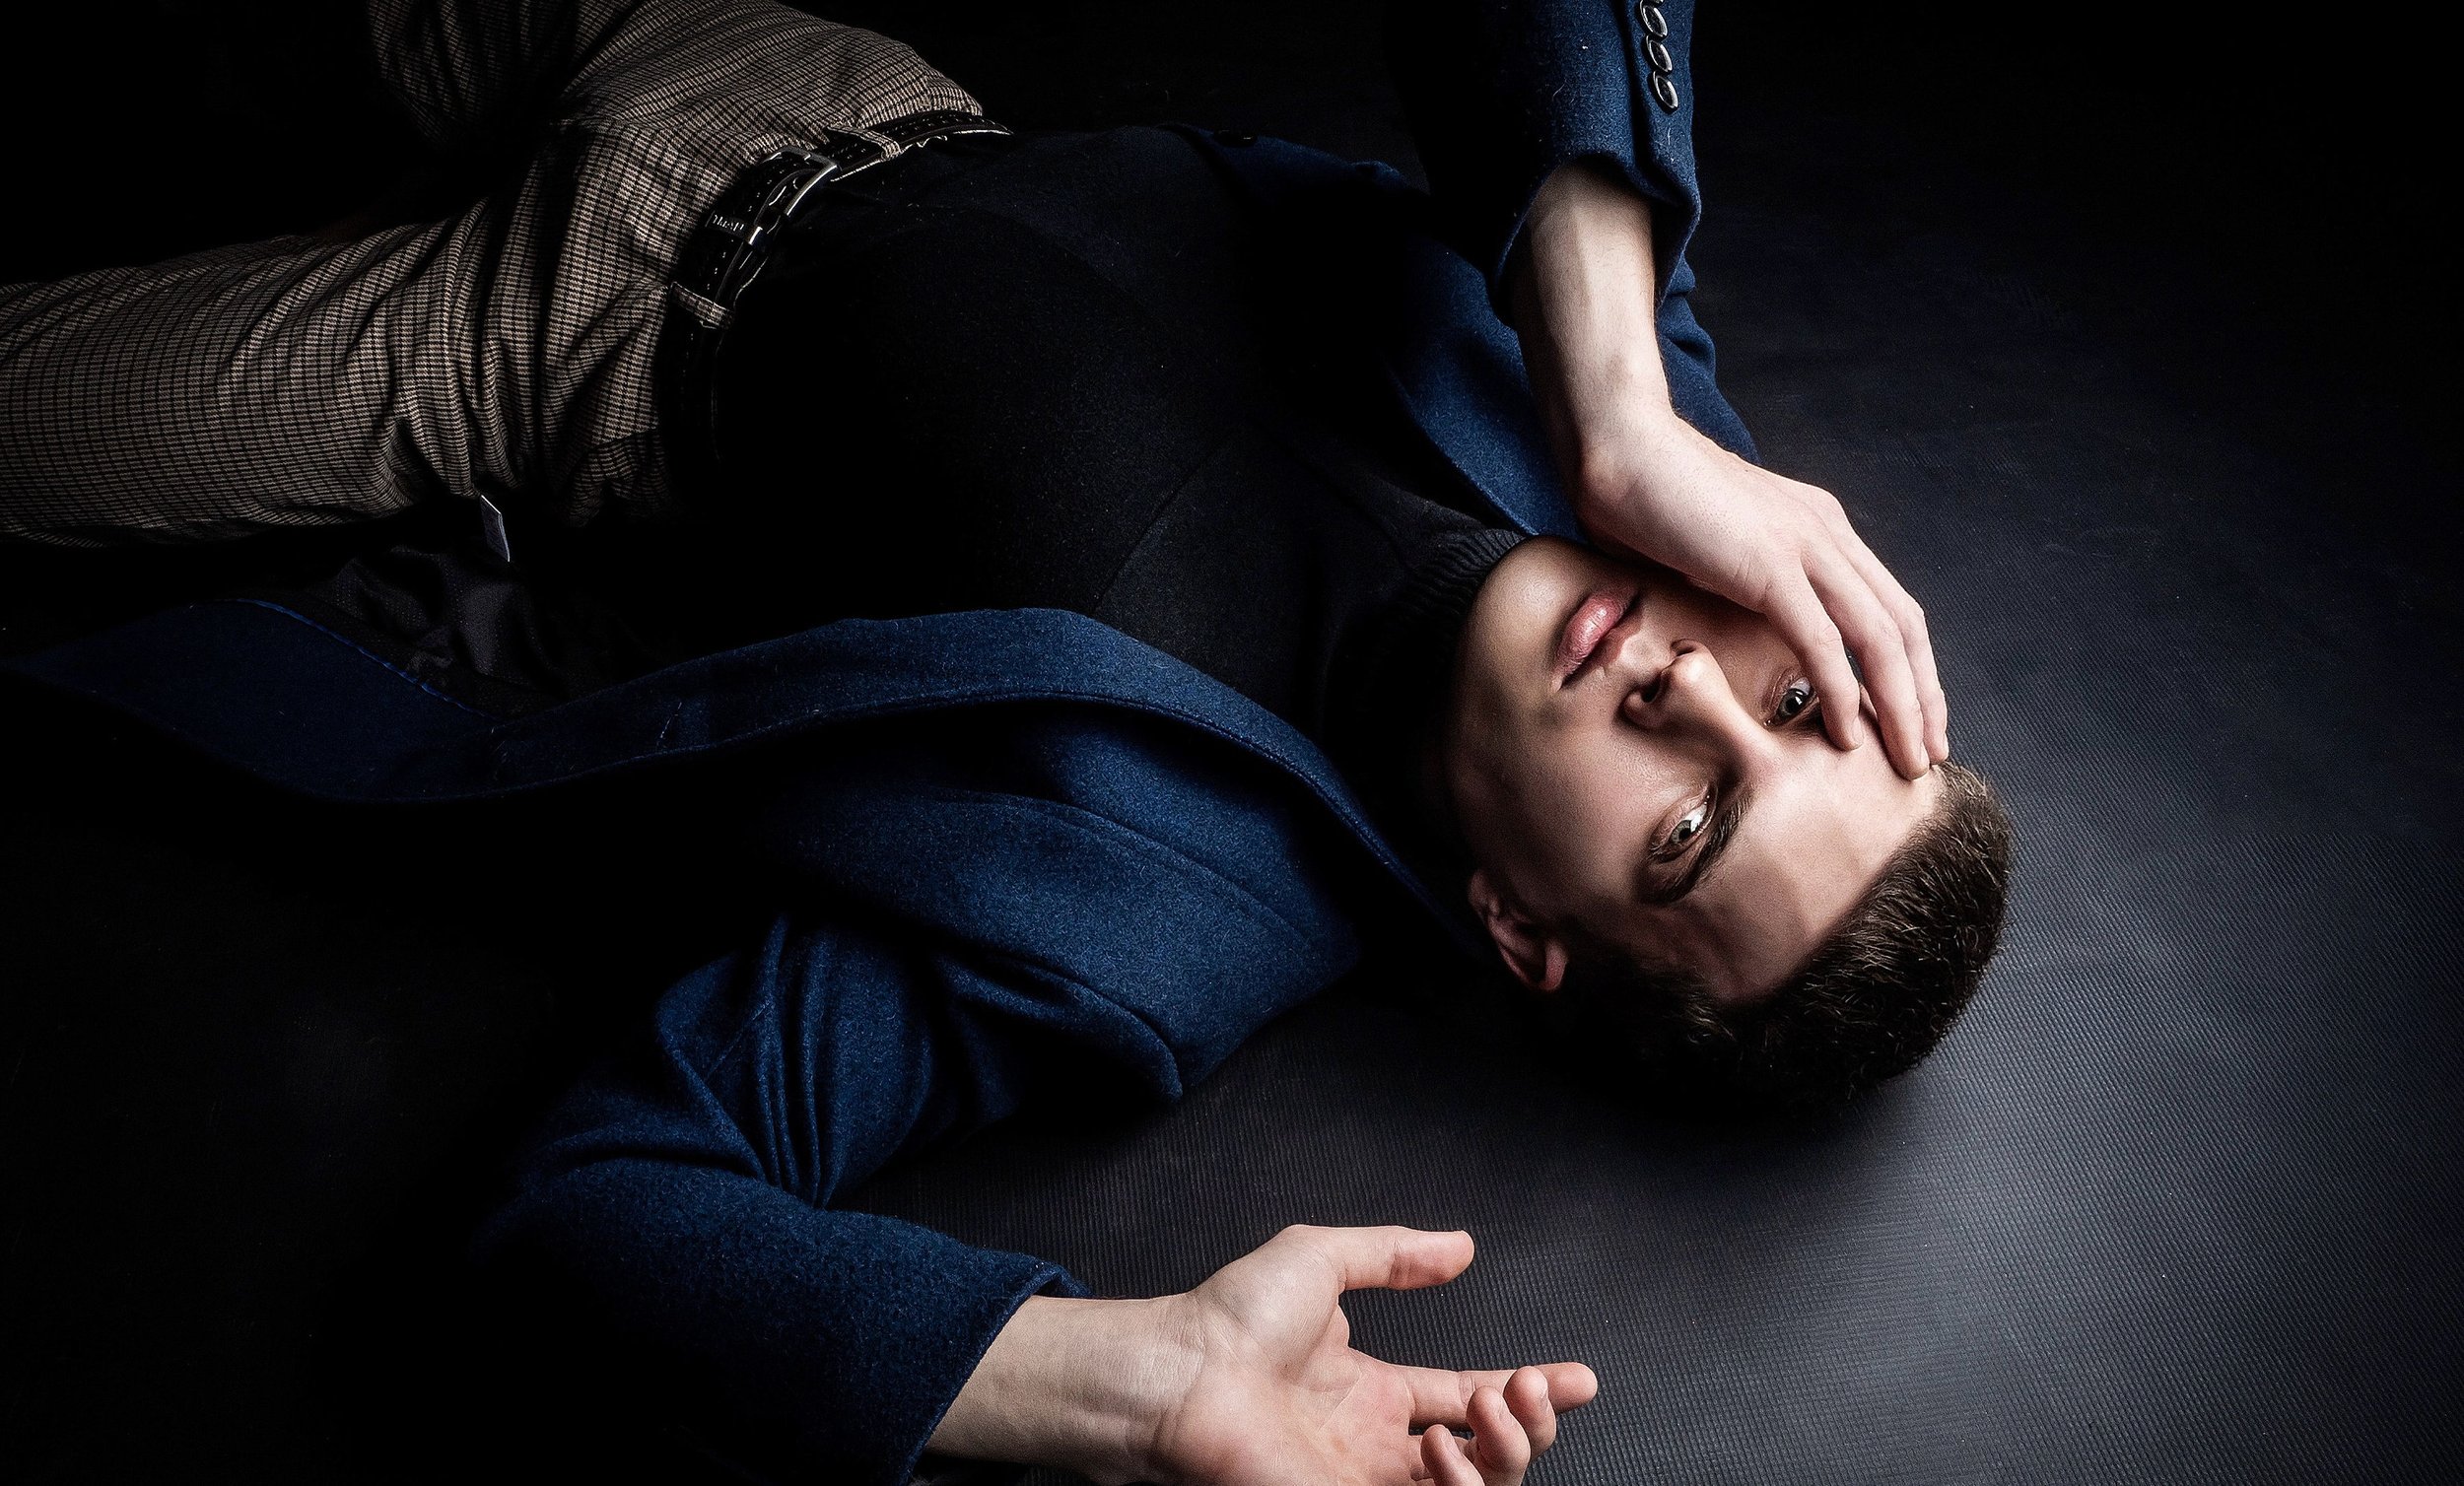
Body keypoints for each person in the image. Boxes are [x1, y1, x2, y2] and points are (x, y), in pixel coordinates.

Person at [0, 1, 2012, 1481]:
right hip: (797, 78)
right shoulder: (1636, 419)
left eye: (1685, 827)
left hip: (546, 350)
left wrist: (1116, 1384)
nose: (1690, 693)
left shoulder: (1133, 919)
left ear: (1522, 931)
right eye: (1798, 698)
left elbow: (588, 1203)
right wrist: (1615, 406)